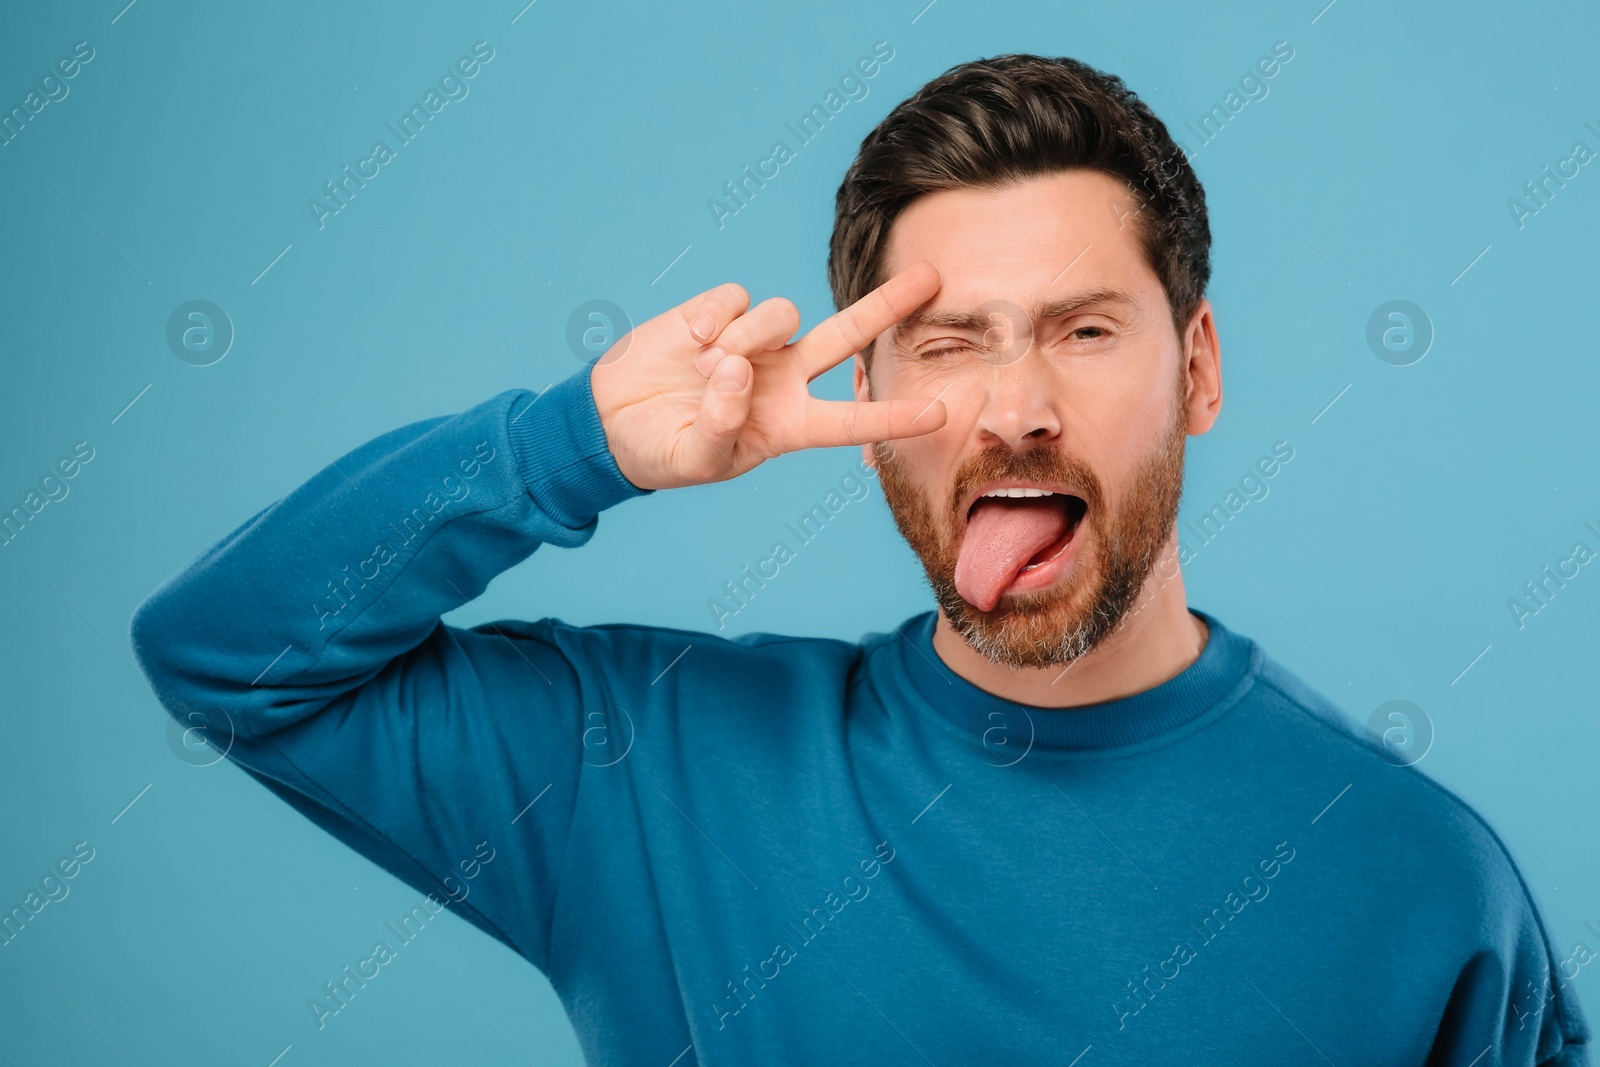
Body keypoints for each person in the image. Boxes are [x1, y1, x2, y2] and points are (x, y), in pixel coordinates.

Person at [131, 54, 1589, 1064]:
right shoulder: (646, 773)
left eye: (1085, 332)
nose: (1018, 409)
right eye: (951, 348)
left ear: (1198, 372)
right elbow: (226, 653)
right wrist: (577, 445)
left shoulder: (1419, 880)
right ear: (872, 414)